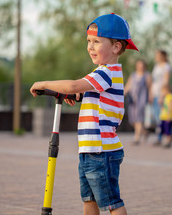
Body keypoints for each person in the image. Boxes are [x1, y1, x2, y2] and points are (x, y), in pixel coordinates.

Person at [30, 13, 138, 215]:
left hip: (101, 151)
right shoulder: (103, 73)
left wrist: (43, 83)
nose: (90, 46)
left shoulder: (105, 72)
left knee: (111, 202)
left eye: (97, 41)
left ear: (116, 47)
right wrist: (79, 96)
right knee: (89, 200)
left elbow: (73, 85)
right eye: (89, 41)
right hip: (91, 150)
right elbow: (88, 94)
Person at [124, 59, 151, 145]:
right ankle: (145, 132)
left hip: (142, 99)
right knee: (132, 120)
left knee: (139, 118)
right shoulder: (133, 75)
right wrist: (122, 94)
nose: (140, 67)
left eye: (142, 65)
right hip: (133, 100)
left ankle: (137, 138)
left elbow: (150, 87)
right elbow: (128, 86)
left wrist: (151, 96)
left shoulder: (147, 75)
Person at [149, 50, 171, 145]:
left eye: (157, 55)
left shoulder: (166, 67)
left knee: (163, 117)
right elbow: (153, 81)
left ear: (163, 56)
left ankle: (167, 136)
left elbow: (166, 81)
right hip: (155, 93)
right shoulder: (156, 67)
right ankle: (160, 137)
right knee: (157, 118)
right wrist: (151, 93)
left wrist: (162, 95)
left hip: (161, 95)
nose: (156, 56)